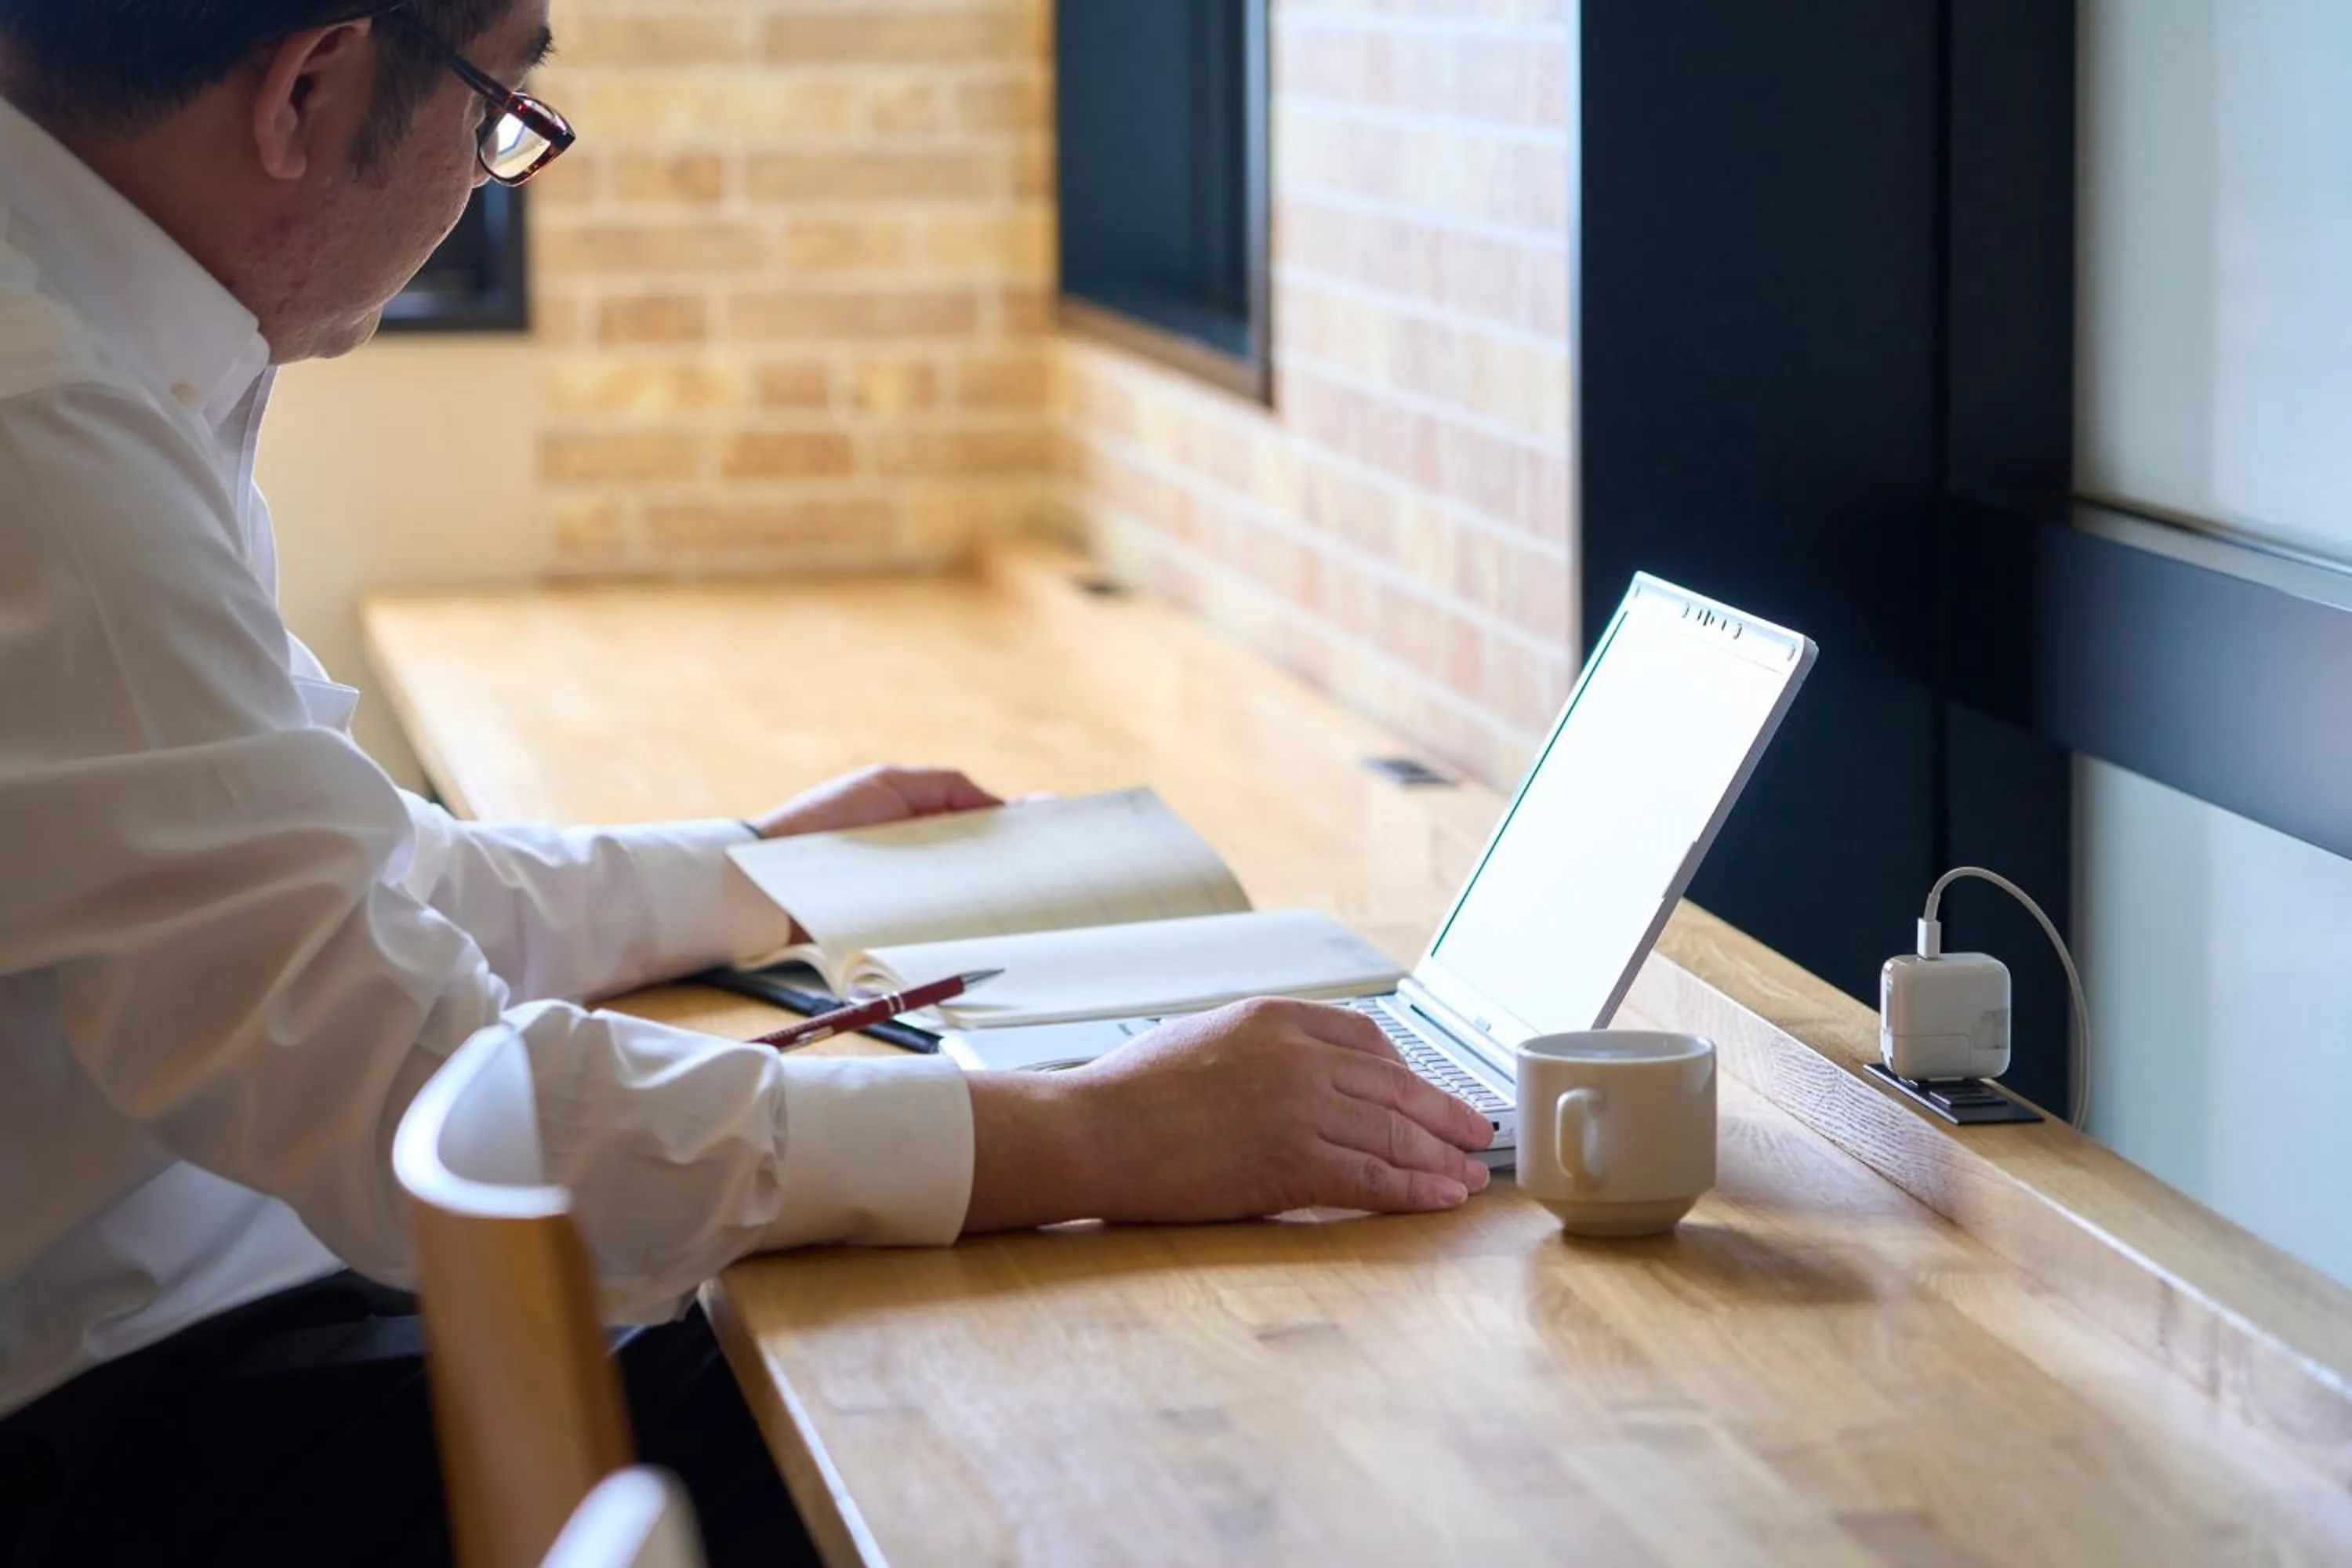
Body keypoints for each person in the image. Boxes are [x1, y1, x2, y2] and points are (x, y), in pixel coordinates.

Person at [0, 2, 1495, 1562]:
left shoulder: (97, 354)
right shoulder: (46, 436)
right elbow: (406, 1086)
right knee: (983, 1407)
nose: (487, 170)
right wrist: (1095, 1130)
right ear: (309, 87)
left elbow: (356, 889)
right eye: (498, 102)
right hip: (120, 1433)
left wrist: (756, 871)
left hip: (214, 1313)